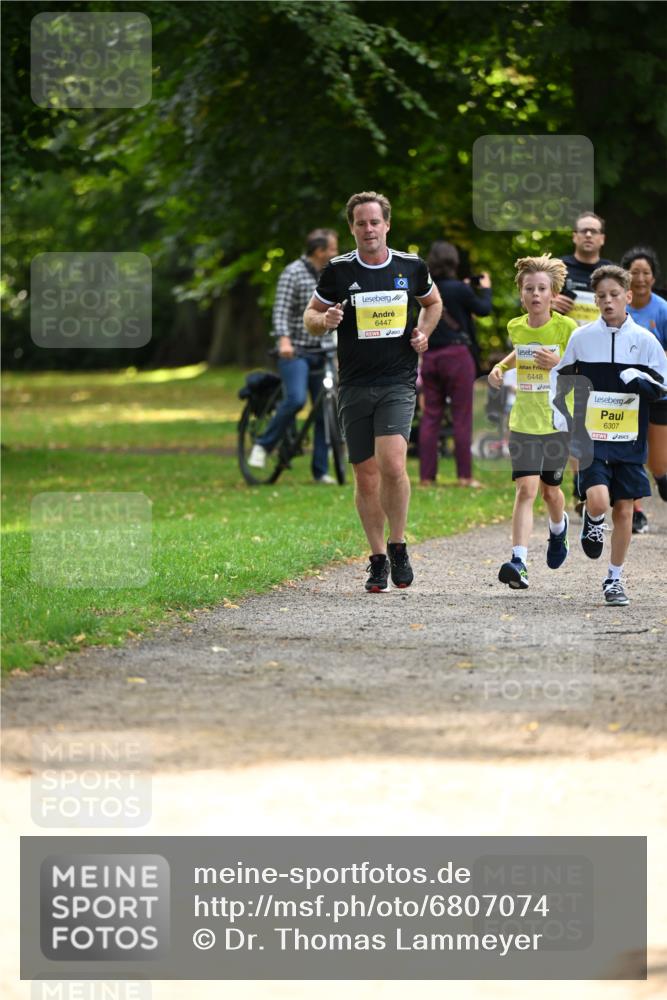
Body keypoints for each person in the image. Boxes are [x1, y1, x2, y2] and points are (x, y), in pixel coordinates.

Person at [303, 191, 442, 592]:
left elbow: (433, 304)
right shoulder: (338, 270)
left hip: (398, 381)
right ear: (352, 228)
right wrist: (325, 319)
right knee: (365, 478)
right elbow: (310, 317)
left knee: (392, 464)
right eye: (361, 223)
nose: (368, 229)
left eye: (374, 222)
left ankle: (399, 545)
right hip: (354, 385)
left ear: (387, 225)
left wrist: (423, 333)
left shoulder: (410, 266)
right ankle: (378, 557)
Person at [551, 265, 667, 606]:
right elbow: (561, 376)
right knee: (600, 499)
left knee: (626, 511)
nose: (607, 301)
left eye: (614, 295)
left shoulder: (645, 341)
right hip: (592, 437)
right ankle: (593, 517)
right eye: (601, 296)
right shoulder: (583, 338)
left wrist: (640, 379)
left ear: (628, 297)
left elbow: (663, 385)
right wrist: (561, 418)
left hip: (630, 440)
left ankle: (614, 578)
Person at [488, 254, 577, 590]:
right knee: (526, 489)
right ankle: (519, 561)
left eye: (542, 289)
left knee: (551, 493)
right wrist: (501, 367)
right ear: (521, 294)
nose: (536, 294)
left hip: (555, 421)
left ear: (553, 294)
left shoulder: (567, 329)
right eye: (530, 289)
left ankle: (559, 529)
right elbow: (518, 351)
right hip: (524, 420)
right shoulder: (516, 326)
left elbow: (581, 369)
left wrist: (559, 362)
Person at [248, 228, 339, 482]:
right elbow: (281, 311)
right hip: (295, 351)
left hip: (322, 350)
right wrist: (284, 341)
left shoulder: (330, 274)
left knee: (326, 409)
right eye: (333, 248)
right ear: (320, 251)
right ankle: (264, 445)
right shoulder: (293, 273)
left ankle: (320, 470)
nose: (336, 253)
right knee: (297, 399)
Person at [552, 211, 615, 519]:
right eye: (583, 231)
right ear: (575, 236)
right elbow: (534, 304)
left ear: (602, 238)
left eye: (594, 231)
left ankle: (591, 480)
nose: (588, 235)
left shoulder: (610, 271)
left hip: (603, 355)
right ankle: (582, 480)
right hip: (566, 354)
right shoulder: (560, 270)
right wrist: (552, 302)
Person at [418, 241, 492, 487]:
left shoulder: (425, 289)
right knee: (462, 416)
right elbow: (483, 310)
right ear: (454, 262)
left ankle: (426, 477)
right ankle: (464, 476)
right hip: (457, 356)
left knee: (430, 416)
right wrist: (486, 289)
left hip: (430, 356)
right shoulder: (461, 290)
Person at [620, 246, 667, 502]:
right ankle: (634, 512)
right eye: (634, 272)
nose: (640, 278)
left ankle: (661, 480)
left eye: (645, 272)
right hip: (624, 393)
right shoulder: (616, 307)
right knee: (628, 454)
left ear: (653, 278)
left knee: (659, 466)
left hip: (657, 392)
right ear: (625, 276)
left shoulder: (662, 310)